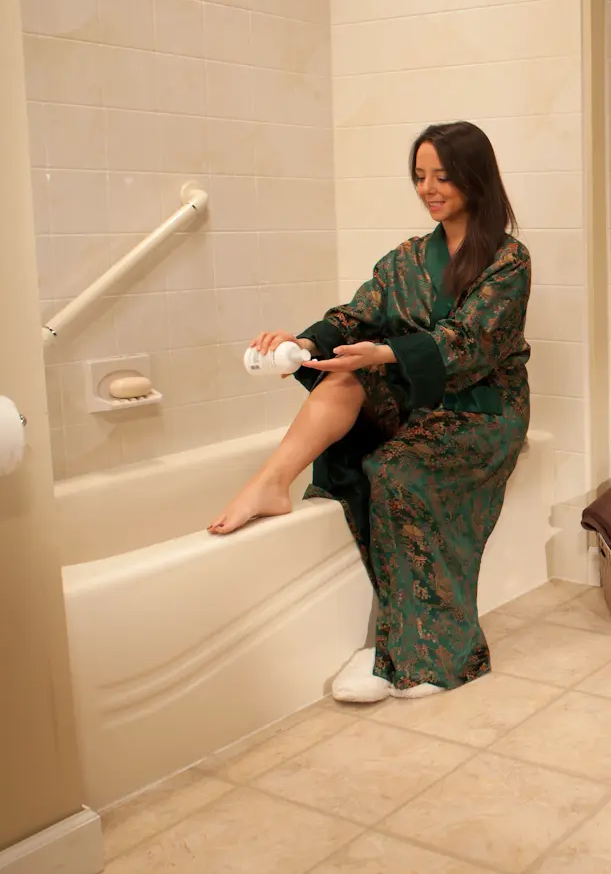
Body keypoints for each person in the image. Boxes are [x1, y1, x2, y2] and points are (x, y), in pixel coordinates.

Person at [208, 121, 531, 704]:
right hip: (420, 400)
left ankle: (417, 655)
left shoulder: (508, 261)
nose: (428, 189)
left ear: (474, 178)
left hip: (481, 411)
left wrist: (387, 352)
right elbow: (356, 315)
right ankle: (270, 483)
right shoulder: (404, 259)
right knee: (340, 378)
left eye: (441, 176)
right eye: (419, 177)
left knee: (396, 471)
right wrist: (303, 347)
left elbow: (471, 343)